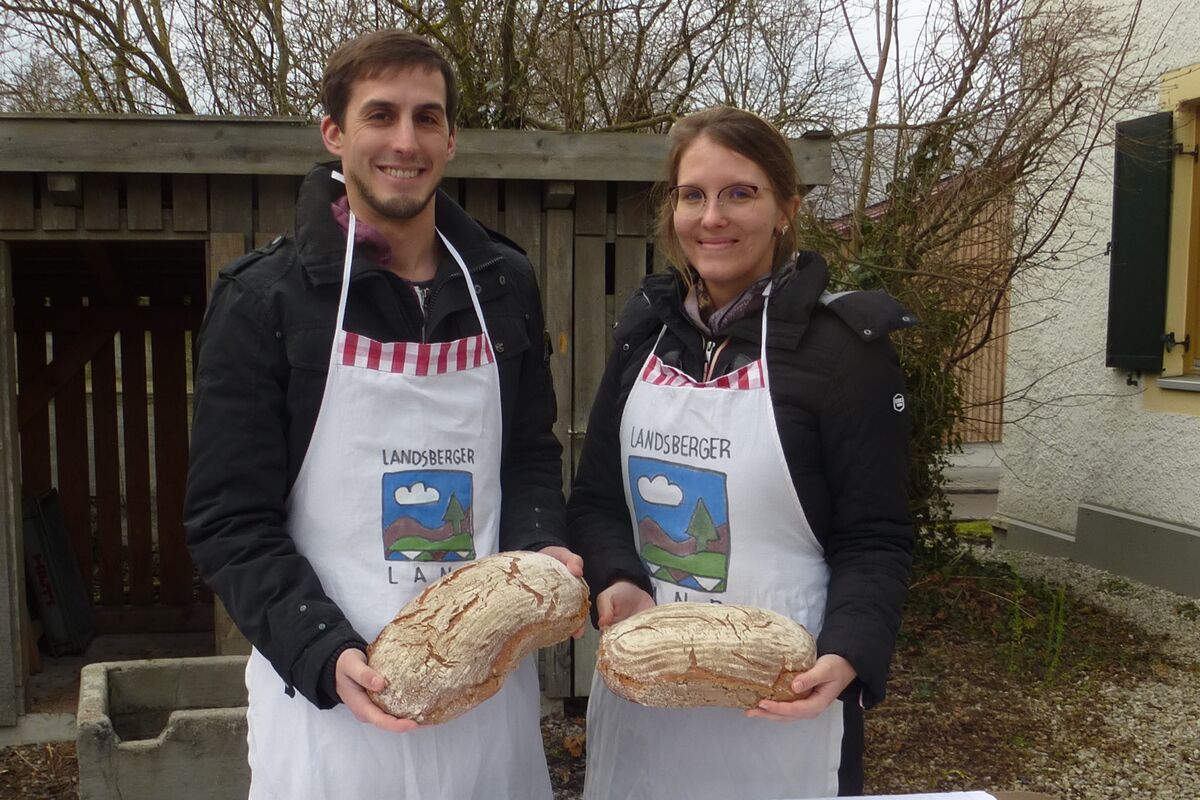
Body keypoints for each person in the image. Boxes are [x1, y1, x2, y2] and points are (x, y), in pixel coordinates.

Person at [184, 29, 581, 800]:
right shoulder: (265, 299)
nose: (406, 140)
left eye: (427, 117)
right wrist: (323, 651)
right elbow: (228, 517)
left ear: (452, 138)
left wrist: (540, 550)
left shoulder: (503, 283)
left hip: (487, 702)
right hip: (331, 712)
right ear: (334, 132)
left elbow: (529, 453)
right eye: (381, 115)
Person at [567, 106, 916, 799]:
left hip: (785, 698)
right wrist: (616, 577)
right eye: (692, 195)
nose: (711, 217)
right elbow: (599, 500)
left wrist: (848, 651)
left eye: (740, 193)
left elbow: (875, 537)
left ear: (785, 209)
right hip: (647, 696)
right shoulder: (644, 335)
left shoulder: (844, 353)